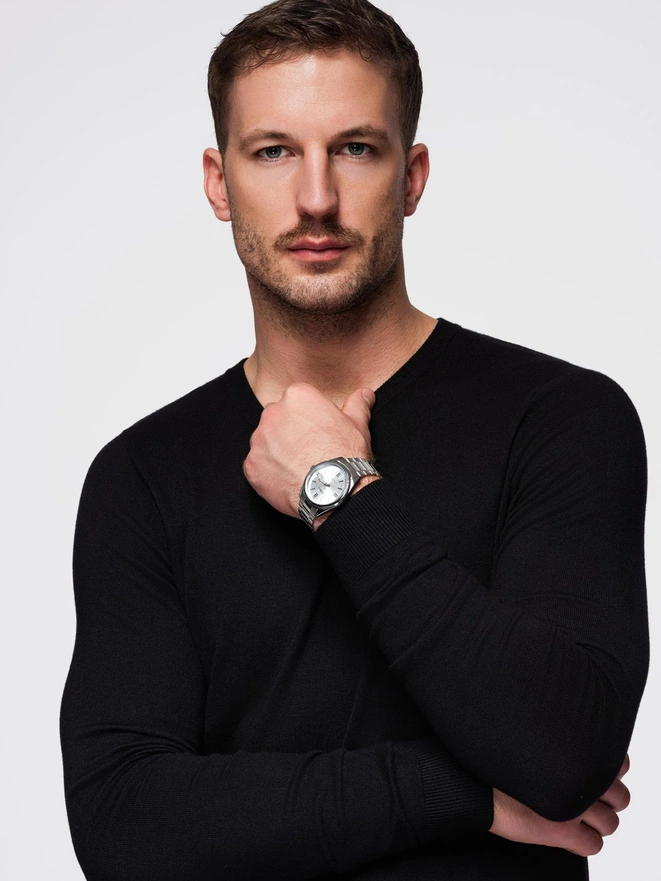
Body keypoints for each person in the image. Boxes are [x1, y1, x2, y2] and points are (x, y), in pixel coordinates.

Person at [59, 0, 648, 878]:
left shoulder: (561, 418)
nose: (315, 199)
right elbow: (122, 826)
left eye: (356, 148)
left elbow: (563, 752)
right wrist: (461, 793)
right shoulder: (142, 475)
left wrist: (334, 486)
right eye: (273, 151)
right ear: (219, 183)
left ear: (411, 176)